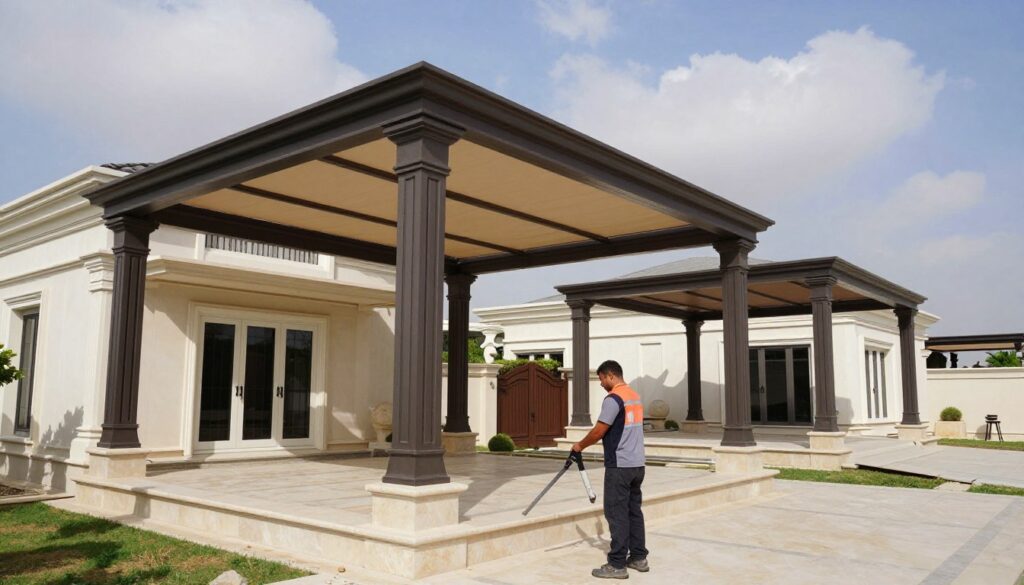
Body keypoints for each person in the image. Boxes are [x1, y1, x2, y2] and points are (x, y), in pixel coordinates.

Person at [572, 359, 648, 579]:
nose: (601, 383)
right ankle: (638, 557)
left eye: (602, 378)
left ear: (611, 376)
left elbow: (599, 430)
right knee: (634, 511)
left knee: (616, 513)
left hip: (620, 465)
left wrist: (579, 446)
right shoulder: (634, 396)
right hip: (637, 464)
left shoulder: (614, 398)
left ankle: (616, 564)